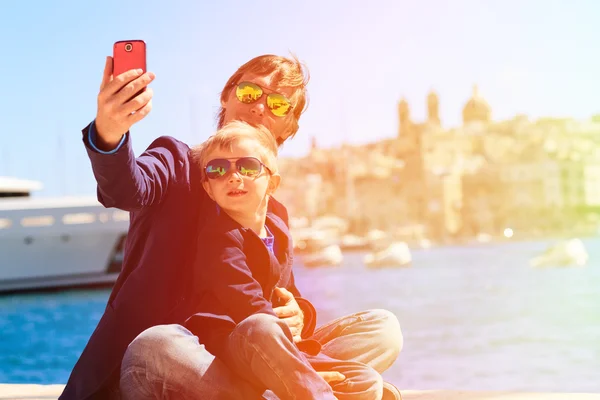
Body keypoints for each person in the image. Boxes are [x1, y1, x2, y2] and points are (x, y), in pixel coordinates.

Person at [60, 53, 403, 400]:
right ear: (227, 98)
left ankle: (290, 388)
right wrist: (109, 133)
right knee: (158, 344)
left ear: (290, 128)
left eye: (279, 104)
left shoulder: (275, 213)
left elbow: (278, 297)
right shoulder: (177, 161)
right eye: (251, 93)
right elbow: (126, 187)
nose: (259, 108)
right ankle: (318, 388)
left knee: (382, 330)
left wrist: (299, 313)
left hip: (247, 355)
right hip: (172, 361)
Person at [176, 121, 383, 399]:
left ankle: (301, 385)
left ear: (272, 183)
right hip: (235, 348)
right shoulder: (218, 237)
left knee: (367, 379)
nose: (233, 176)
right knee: (263, 325)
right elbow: (246, 303)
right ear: (208, 188)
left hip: (281, 343)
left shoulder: (279, 232)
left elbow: (288, 296)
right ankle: (305, 386)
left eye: (247, 167)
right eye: (218, 169)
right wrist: (297, 359)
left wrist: (300, 314)